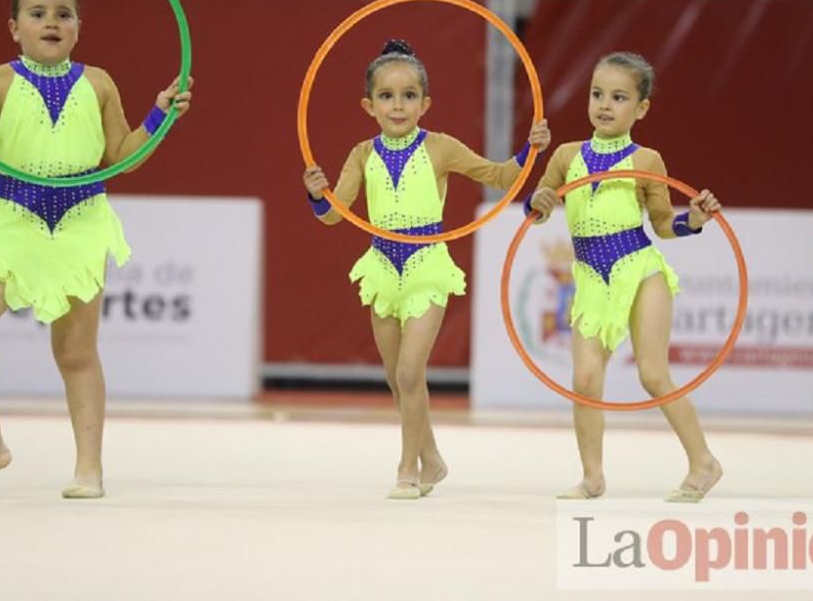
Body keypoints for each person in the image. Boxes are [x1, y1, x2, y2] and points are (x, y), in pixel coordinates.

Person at [0, 0, 193, 499]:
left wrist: (161, 114)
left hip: (79, 220)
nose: (51, 22)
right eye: (38, 13)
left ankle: (88, 469)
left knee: (74, 352)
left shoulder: (99, 83)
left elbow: (122, 156)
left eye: (63, 14)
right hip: (16, 221)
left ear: (78, 28)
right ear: (14, 28)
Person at [303, 39, 550, 499]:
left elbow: (498, 176)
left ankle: (407, 468)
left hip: (426, 264)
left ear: (425, 103)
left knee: (410, 373)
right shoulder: (361, 154)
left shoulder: (440, 148)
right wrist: (318, 194)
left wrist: (528, 150)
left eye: (409, 95)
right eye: (387, 96)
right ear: (369, 104)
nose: (398, 106)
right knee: (397, 376)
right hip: (382, 266)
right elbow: (336, 214)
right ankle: (432, 458)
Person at [527, 51, 722, 502]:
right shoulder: (566, 155)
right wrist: (536, 204)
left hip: (639, 268)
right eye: (597, 94)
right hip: (591, 277)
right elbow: (537, 210)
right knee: (585, 379)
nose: (605, 105)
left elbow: (661, 224)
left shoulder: (648, 159)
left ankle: (704, 462)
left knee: (653, 373)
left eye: (618, 97)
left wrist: (692, 220)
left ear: (641, 108)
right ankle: (592, 477)